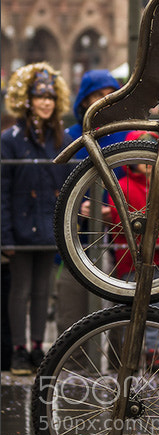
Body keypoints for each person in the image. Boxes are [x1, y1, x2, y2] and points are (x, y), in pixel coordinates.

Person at [1, 63, 71, 375]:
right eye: (40, 96)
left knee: (43, 291)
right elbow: (1, 192)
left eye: (51, 97)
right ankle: (18, 351)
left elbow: (70, 185)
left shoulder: (62, 138)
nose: (46, 102)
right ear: (26, 100)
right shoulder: (10, 139)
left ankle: (38, 348)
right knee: (20, 289)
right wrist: (4, 236)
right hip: (19, 229)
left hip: (48, 228)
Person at [55, 69, 127, 335]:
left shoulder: (128, 135)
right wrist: (76, 208)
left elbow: (141, 183)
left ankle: (122, 365)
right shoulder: (68, 137)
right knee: (73, 310)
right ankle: (74, 365)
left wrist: (115, 211)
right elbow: (57, 186)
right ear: (85, 100)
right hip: (79, 237)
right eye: (98, 95)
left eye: (110, 95)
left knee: (122, 310)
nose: (105, 100)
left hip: (120, 237)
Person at [107, 131, 159, 368]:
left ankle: (153, 350)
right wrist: (149, 219)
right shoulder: (122, 186)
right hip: (132, 259)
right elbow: (117, 220)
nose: (146, 162)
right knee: (132, 308)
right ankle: (129, 352)